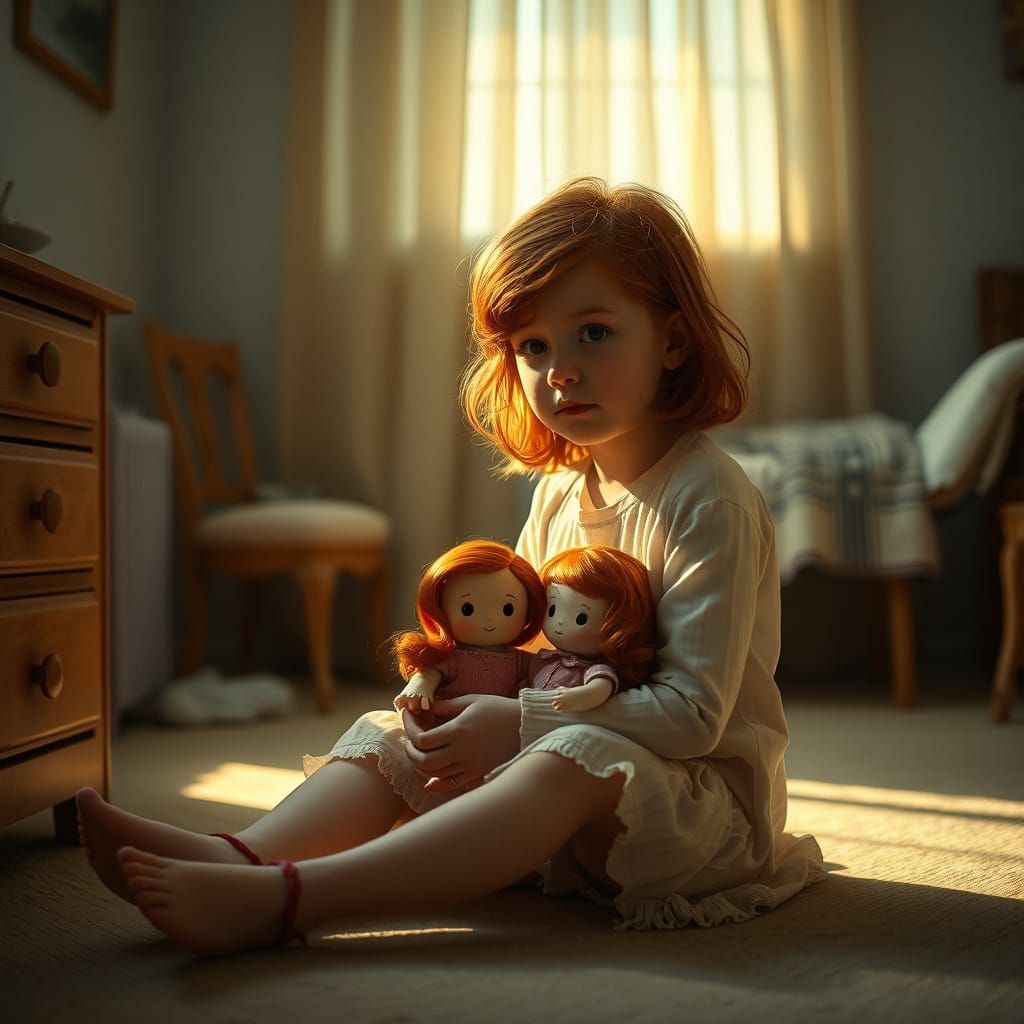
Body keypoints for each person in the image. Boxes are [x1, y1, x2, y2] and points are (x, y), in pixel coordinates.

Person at [77, 177, 825, 955]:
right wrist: (458, 700)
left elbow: (695, 718)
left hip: (701, 817)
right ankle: (241, 854)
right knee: (392, 732)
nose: (558, 370)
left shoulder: (711, 497)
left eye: (593, 333)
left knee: (569, 755)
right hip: (568, 790)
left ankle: (290, 901)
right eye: (533, 347)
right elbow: (529, 654)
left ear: (671, 340)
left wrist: (521, 721)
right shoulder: (561, 492)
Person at [391, 539, 545, 714]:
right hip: (447, 720)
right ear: (440, 610)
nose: (489, 620)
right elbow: (430, 672)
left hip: (498, 726)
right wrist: (420, 685)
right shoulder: (454, 658)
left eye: (507, 609)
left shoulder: (519, 662)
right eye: (468, 609)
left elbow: (546, 671)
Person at [530, 545, 658, 712]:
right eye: (552, 610)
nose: (560, 622)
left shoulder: (594, 669)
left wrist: (582, 697)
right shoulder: (543, 659)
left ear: (618, 623)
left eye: (581, 618)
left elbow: (599, 688)